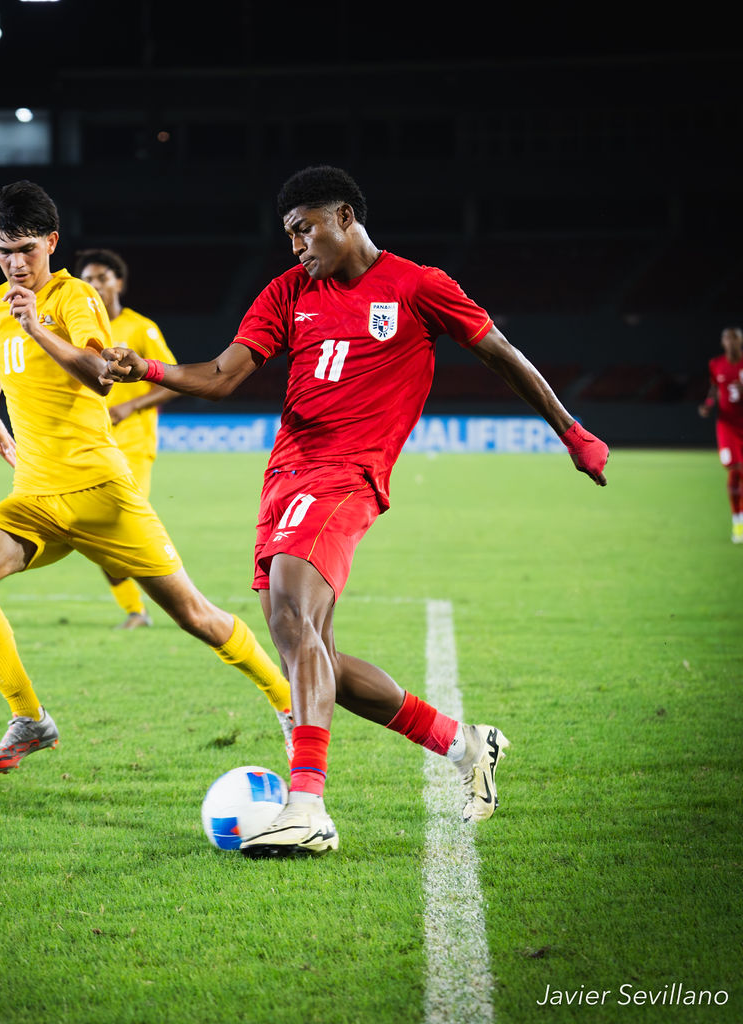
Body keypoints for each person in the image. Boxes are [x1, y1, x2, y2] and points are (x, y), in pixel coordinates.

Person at [101, 165, 611, 857]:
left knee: (289, 613)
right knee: (316, 659)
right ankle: (465, 743)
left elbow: (503, 356)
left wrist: (571, 432)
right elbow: (223, 375)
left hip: (349, 474)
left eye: (303, 229)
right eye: (288, 235)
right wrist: (148, 371)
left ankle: (306, 804)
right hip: (286, 473)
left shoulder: (419, 286)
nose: (296, 246)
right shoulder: (289, 292)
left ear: (344, 216)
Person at [0, 180, 294, 776]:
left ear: (52, 242)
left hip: (101, 493)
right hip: (34, 497)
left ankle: (289, 706)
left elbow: (101, 377)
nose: (15, 263)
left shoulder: (75, 299)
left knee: (195, 616)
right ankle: (30, 718)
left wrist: (37, 328)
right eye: (3, 251)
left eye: (26, 248)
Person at [75, 248, 179, 629]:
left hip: (134, 443)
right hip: (92, 444)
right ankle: (136, 611)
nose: (95, 285)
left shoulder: (141, 328)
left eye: (102, 277)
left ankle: (178, 602)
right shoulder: (82, 329)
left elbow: (171, 381)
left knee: (119, 520)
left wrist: (129, 407)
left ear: (118, 282)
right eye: (87, 279)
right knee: (93, 530)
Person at [698, 326, 743, 543]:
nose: (730, 344)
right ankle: (738, 522)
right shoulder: (716, 364)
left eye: (733, 340)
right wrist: (708, 404)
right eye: (727, 340)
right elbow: (714, 388)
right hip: (726, 426)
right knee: (735, 470)